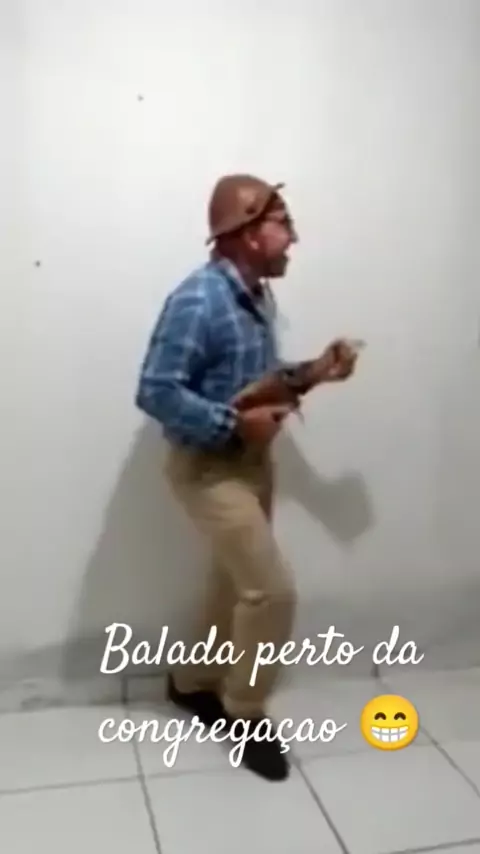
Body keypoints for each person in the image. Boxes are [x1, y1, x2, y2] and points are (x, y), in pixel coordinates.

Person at [135, 174, 357, 781]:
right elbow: (154, 390)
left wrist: (316, 370)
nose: (294, 238)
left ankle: (191, 683)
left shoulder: (254, 297)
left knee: (235, 587)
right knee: (273, 592)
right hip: (208, 469)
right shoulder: (198, 300)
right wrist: (233, 426)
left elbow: (256, 381)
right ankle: (244, 710)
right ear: (247, 230)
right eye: (284, 224)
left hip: (250, 465)